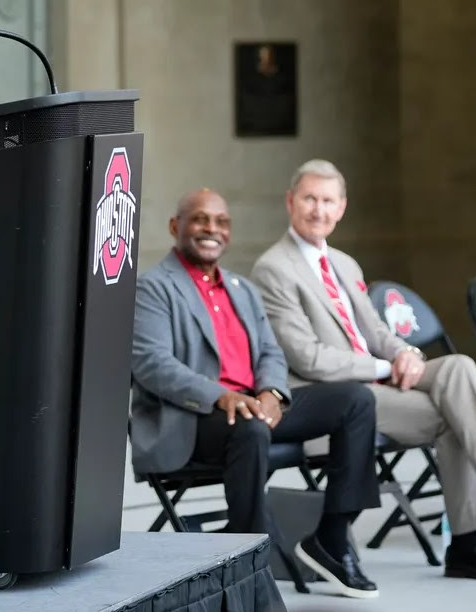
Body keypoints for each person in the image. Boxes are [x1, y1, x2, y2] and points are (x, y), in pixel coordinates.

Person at [251, 159, 476, 582]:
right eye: (310, 199)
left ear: (342, 207)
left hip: (376, 380)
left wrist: (405, 353)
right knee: (452, 419)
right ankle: (470, 537)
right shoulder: (273, 269)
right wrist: (385, 365)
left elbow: (375, 329)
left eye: (328, 201)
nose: (319, 210)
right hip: (330, 398)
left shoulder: (345, 264)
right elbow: (307, 358)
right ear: (290, 202)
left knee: (457, 367)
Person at [132, 189, 383, 599]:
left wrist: (272, 393)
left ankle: (332, 539)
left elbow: (270, 351)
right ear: (176, 227)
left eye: (221, 221)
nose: (212, 229)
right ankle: (253, 569)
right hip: (193, 419)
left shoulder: (241, 288)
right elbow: (152, 365)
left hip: (255, 411)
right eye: (200, 220)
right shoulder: (154, 288)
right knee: (249, 428)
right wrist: (220, 396)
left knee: (355, 401)